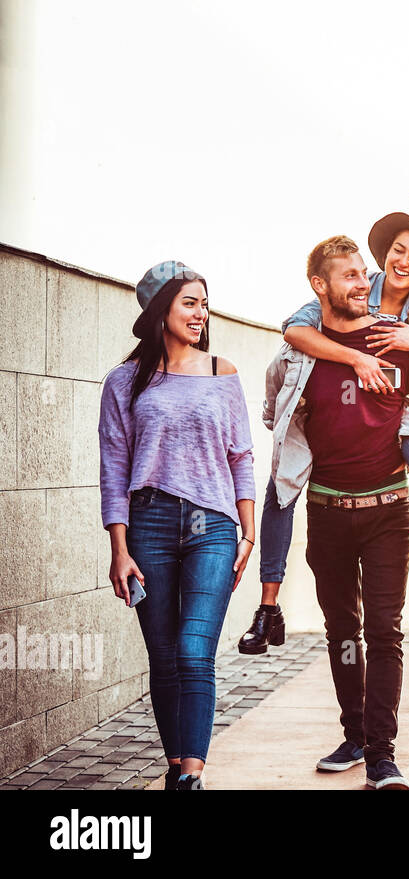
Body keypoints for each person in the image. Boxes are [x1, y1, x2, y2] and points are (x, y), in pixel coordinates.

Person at [240, 212, 409, 653]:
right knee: (281, 483)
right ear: (385, 252)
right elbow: (295, 329)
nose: (404, 261)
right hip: (345, 413)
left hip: (402, 415)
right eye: (399, 250)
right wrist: (356, 358)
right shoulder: (356, 285)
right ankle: (268, 607)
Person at [274, 234, 409, 789]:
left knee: (385, 631)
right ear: (320, 287)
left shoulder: (394, 340)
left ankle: (383, 755)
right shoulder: (299, 351)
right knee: (342, 627)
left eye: (365, 273)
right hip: (328, 513)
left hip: (389, 509)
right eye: (350, 276)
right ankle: (354, 735)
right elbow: (278, 414)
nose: (364, 283)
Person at [99, 261, 256, 791]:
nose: (200, 313)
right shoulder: (123, 382)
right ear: (159, 308)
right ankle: (175, 769)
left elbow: (242, 457)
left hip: (212, 525)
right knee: (163, 655)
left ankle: (193, 774)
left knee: (194, 651)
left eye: (203, 303)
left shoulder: (222, 372)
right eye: (189, 302)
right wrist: (119, 549)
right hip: (148, 525)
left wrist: (248, 531)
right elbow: (114, 467)